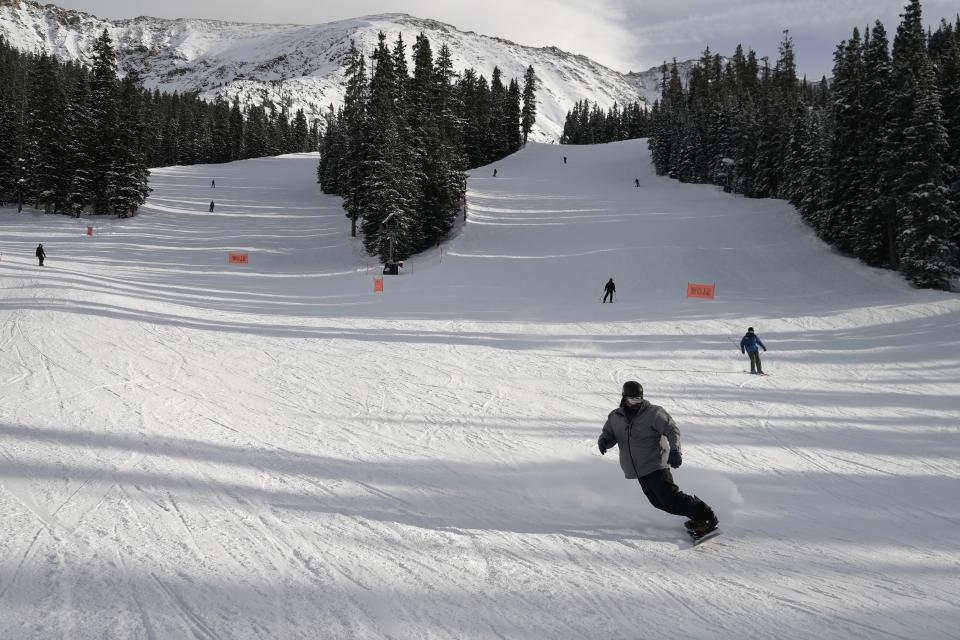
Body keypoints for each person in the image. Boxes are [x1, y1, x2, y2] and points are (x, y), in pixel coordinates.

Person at [598, 381, 718, 540]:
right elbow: (609, 433)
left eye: (639, 399)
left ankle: (706, 516)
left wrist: (675, 450)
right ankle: (698, 517)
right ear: (624, 398)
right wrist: (605, 440)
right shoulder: (615, 416)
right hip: (638, 469)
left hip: (656, 464)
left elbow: (672, 430)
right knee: (659, 503)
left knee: (670, 498)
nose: (636, 403)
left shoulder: (653, 413)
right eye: (633, 400)